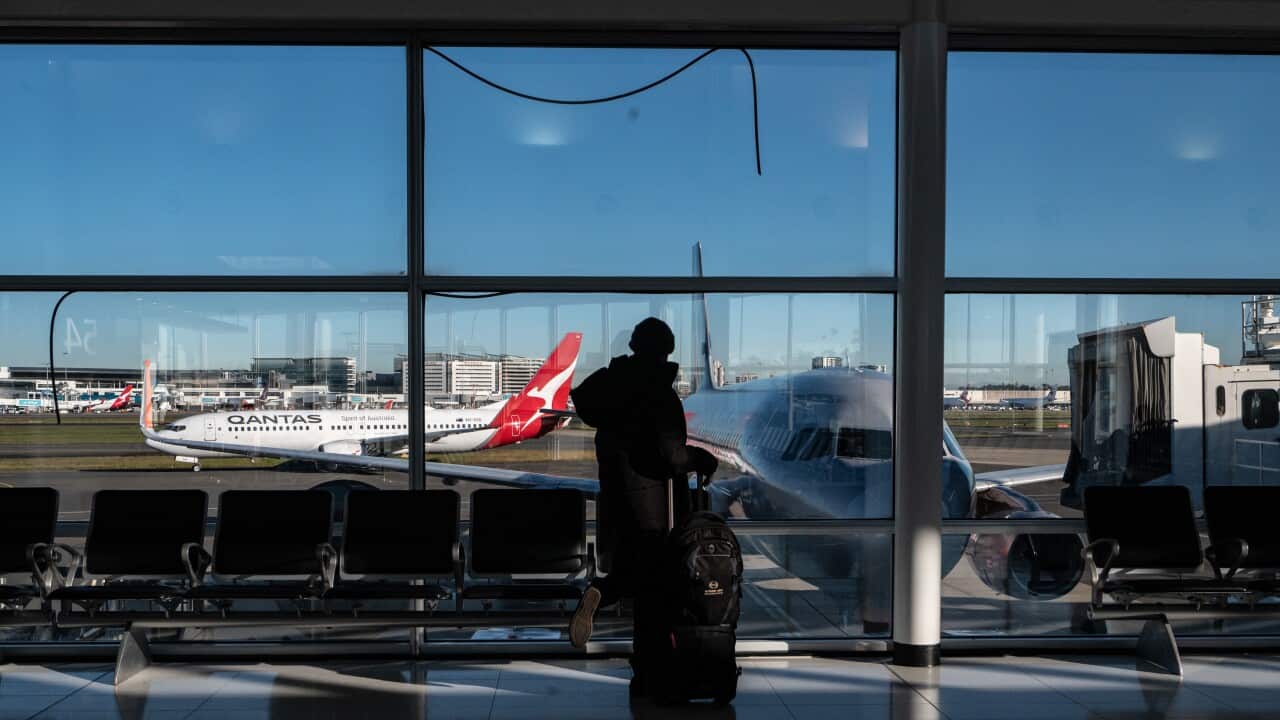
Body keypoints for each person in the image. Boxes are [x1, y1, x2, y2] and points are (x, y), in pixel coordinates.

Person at [567, 317, 718, 695]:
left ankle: (608, 593)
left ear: (634, 345)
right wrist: (702, 459)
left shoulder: (609, 382)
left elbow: (585, 403)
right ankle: (652, 672)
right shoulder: (658, 392)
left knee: (636, 571)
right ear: (665, 350)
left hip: (615, 497)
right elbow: (671, 456)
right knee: (655, 590)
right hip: (654, 501)